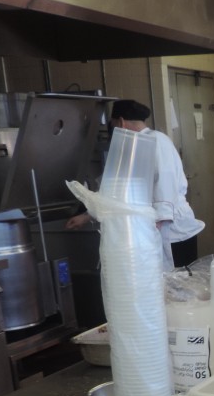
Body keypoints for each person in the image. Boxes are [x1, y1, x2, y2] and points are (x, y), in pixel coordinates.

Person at [67, 99, 204, 270]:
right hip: (150, 232)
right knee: (161, 288)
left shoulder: (157, 141)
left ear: (121, 122)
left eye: (113, 125)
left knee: (181, 288)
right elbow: (115, 193)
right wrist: (87, 216)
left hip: (175, 233)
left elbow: (165, 182)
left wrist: (157, 224)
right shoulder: (132, 147)